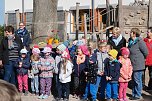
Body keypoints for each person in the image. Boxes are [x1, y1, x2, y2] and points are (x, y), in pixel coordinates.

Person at [128, 28, 148, 100]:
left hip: (138, 64)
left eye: (131, 32)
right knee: (133, 80)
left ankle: (138, 95)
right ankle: (134, 94)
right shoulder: (130, 41)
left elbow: (146, 52)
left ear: (134, 33)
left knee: (137, 80)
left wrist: (141, 59)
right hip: (132, 64)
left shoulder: (140, 42)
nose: (130, 33)